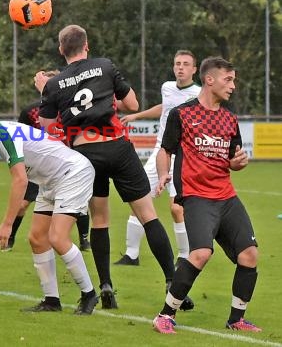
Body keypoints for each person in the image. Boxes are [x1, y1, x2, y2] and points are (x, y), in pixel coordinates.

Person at [38, 24, 176, 310]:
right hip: (116, 145)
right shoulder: (104, 66)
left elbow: (49, 128)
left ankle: (105, 285)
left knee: (99, 218)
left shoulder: (53, 84)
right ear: (86, 45)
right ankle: (173, 282)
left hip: (85, 154)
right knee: (148, 214)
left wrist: (46, 92)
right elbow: (132, 103)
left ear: (61, 50)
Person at [0, 101, 99, 315]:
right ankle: (51, 301)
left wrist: (7, 224)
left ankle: (89, 294)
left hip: (73, 173)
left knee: (57, 238)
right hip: (50, 181)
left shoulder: (2, 133)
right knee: (37, 238)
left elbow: (20, 180)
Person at [152, 57, 261, 334]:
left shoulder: (229, 119)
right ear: (210, 79)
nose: (233, 86)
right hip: (197, 196)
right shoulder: (182, 114)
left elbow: (232, 160)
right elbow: (165, 149)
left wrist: (239, 162)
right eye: (229, 79)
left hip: (226, 196)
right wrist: (164, 173)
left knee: (249, 255)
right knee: (200, 253)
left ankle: (236, 319)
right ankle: (165, 315)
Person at [115, 50, 201, 270]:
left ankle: (183, 256)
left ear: (194, 69)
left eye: (185, 64)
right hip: (159, 152)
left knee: (176, 209)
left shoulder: (199, 94)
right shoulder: (167, 87)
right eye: (177, 63)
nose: (180, 67)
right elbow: (165, 108)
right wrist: (137, 115)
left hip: (184, 155)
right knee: (139, 198)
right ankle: (131, 254)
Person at [5, 70, 91, 252]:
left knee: (81, 206)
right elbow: (20, 138)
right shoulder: (31, 111)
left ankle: (84, 240)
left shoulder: (72, 109)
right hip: (38, 166)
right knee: (22, 204)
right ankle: (10, 236)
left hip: (66, 166)